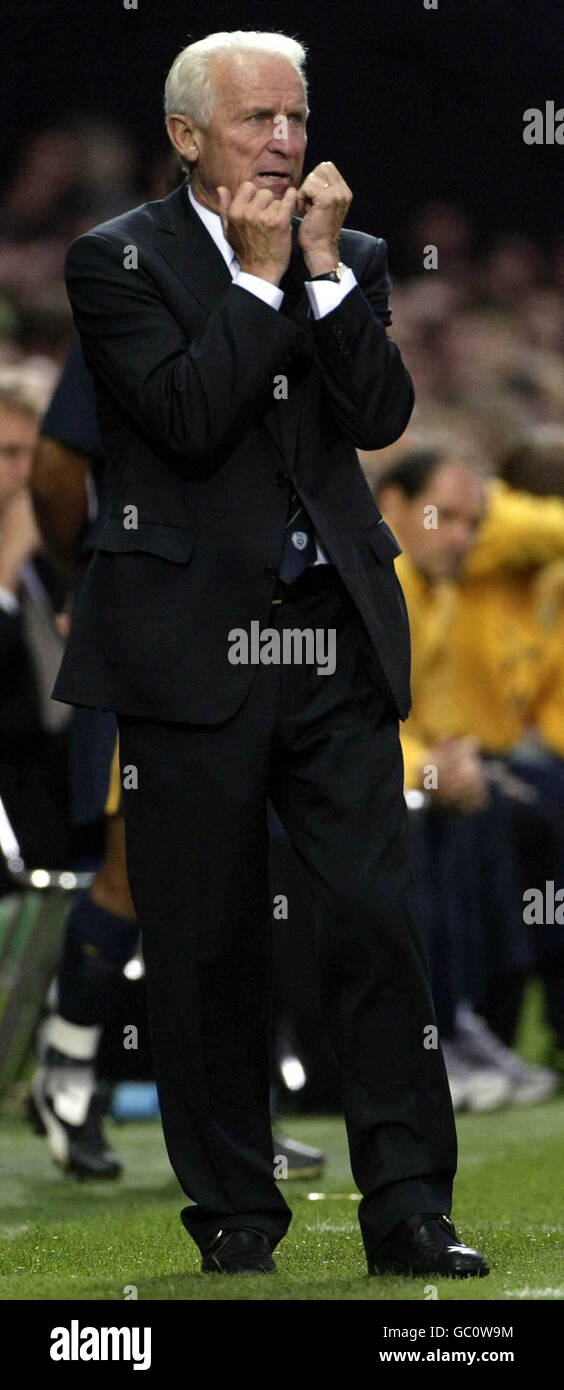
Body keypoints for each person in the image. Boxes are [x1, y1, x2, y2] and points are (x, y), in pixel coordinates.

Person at [52, 30, 486, 1279]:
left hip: (331, 641)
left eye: (296, 115)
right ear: (187, 134)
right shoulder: (114, 259)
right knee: (205, 944)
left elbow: (381, 416)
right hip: (189, 654)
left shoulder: (343, 255)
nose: (286, 140)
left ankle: (409, 1208)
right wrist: (253, 275)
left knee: (372, 920)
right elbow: (186, 418)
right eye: (256, 120)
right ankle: (237, 1211)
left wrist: (322, 280)